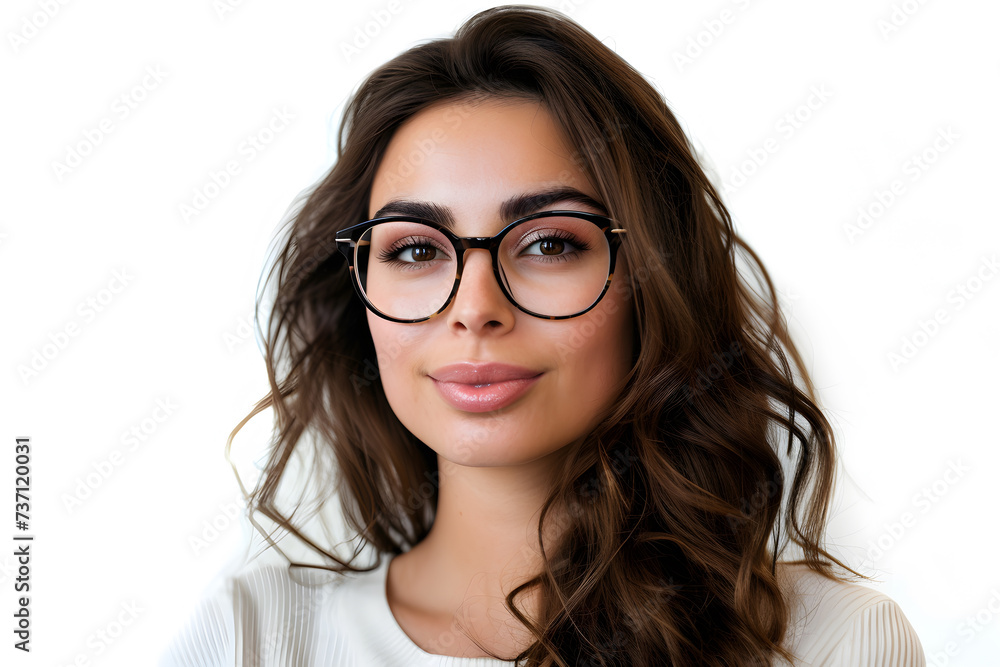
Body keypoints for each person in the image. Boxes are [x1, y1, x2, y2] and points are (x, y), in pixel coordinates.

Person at [160, 5, 926, 666]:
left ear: (651, 280)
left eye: (549, 242)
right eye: (417, 250)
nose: (475, 308)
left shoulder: (830, 641)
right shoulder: (253, 636)